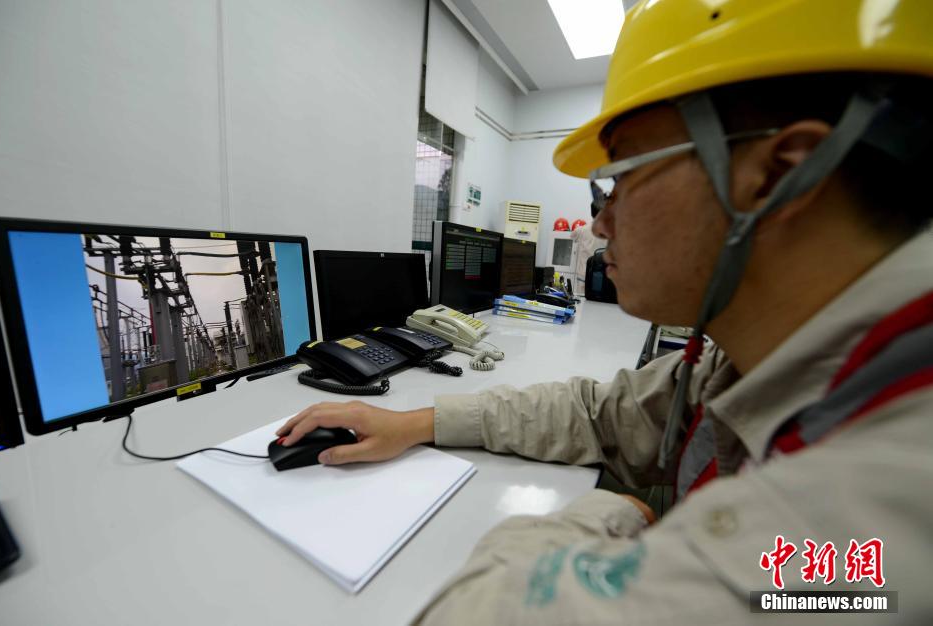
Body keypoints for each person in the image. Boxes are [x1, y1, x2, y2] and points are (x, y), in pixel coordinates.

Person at [278, 0, 933, 622]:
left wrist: (615, 515)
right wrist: (415, 421)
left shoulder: (882, 494)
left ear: (778, 175)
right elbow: (600, 411)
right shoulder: (758, 358)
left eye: (623, 177)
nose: (601, 220)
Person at [570, 203, 607, 297]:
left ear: (591, 213)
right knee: (597, 304)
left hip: (583, 276)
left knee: (581, 304)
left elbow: (572, 236)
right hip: (600, 276)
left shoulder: (581, 230)